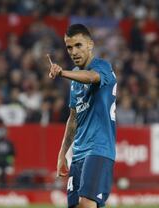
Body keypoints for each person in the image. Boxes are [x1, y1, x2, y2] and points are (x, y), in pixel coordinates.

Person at [48, 24, 117, 208]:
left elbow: (91, 78)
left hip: (99, 149)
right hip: (78, 154)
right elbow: (73, 118)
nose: (73, 51)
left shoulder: (103, 67)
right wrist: (63, 152)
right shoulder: (74, 79)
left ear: (90, 45)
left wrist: (62, 73)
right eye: (69, 47)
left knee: (86, 203)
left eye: (78, 45)